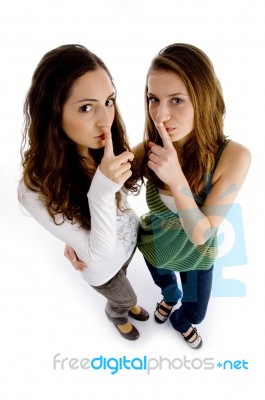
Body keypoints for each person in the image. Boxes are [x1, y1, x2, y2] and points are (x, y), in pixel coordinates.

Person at [18, 44, 149, 341]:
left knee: (124, 280)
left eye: (109, 101)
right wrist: (101, 191)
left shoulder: (102, 146)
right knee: (125, 298)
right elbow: (100, 253)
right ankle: (118, 313)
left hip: (128, 248)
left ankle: (124, 302)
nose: (106, 120)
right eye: (86, 107)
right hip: (101, 267)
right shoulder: (33, 189)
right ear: (53, 112)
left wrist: (71, 236)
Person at [135, 43, 251, 348]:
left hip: (197, 258)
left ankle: (180, 319)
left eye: (177, 100)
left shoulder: (234, 156)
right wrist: (74, 235)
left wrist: (176, 179)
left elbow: (202, 233)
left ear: (203, 98)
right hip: (155, 245)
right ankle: (169, 296)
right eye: (153, 99)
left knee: (196, 314)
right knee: (167, 285)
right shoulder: (150, 148)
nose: (161, 114)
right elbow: (100, 183)